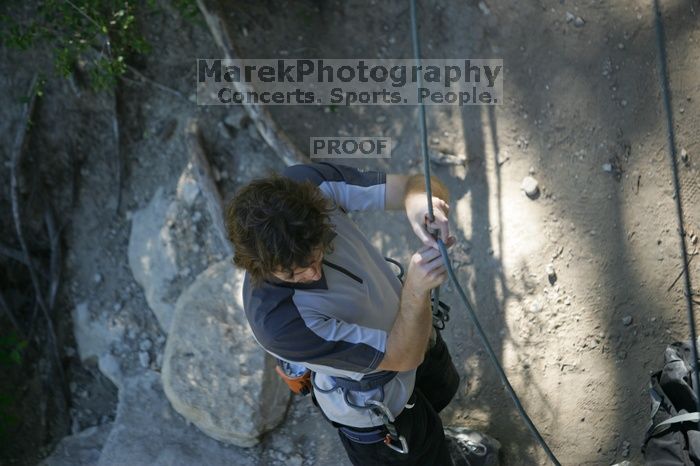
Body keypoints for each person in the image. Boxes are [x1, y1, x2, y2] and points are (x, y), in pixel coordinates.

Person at [224, 162, 499, 465]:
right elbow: (402, 356)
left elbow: (414, 184)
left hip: (415, 331)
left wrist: (421, 203)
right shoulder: (279, 322)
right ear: (258, 267)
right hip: (378, 406)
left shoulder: (308, 187)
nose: (314, 274)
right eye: (295, 273)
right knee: (418, 452)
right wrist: (416, 289)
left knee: (437, 399)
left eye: (318, 254)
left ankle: (440, 447)